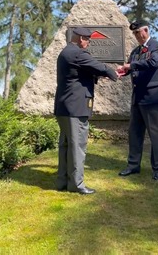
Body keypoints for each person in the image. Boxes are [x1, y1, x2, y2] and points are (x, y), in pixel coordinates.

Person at [54, 26, 119, 194]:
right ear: (81, 39)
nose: (88, 43)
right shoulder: (77, 53)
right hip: (75, 108)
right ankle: (76, 184)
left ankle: (63, 181)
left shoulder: (66, 52)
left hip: (65, 107)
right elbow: (97, 66)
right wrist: (113, 73)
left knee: (66, 145)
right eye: (88, 40)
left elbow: (80, 73)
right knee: (78, 146)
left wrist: (98, 75)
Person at [117, 20, 158, 180]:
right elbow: (132, 67)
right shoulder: (135, 51)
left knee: (156, 135)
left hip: (152, 98)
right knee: (135, 133)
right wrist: (121, 72)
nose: (137, 36)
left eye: (139, 32)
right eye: (135, 33)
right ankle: (133, 166)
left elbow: (153, 63)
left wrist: (130, 66)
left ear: (146, 30)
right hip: (137, 98)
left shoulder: (156, 47)